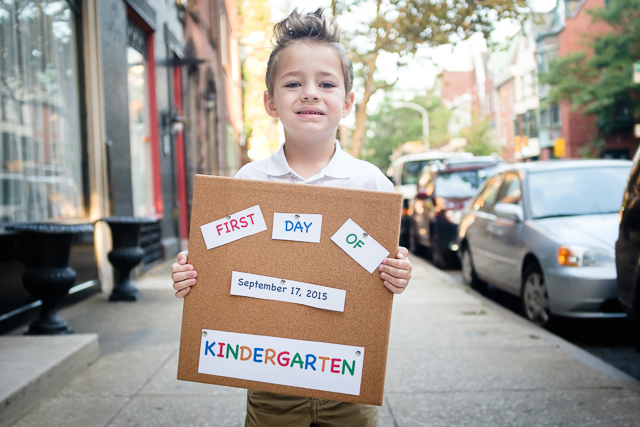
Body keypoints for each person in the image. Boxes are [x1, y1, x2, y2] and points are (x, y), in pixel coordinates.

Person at [171, 8, 412, 427]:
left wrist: (397, 272)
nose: (310, 93)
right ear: (270, 102)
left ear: (348, 102)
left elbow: (382, 264)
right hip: (269, 376)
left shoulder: (370, 184)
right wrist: (194, 274)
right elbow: (220, 257)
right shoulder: (250, 181)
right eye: (293, 83)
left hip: (347, 374)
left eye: (326, 83)